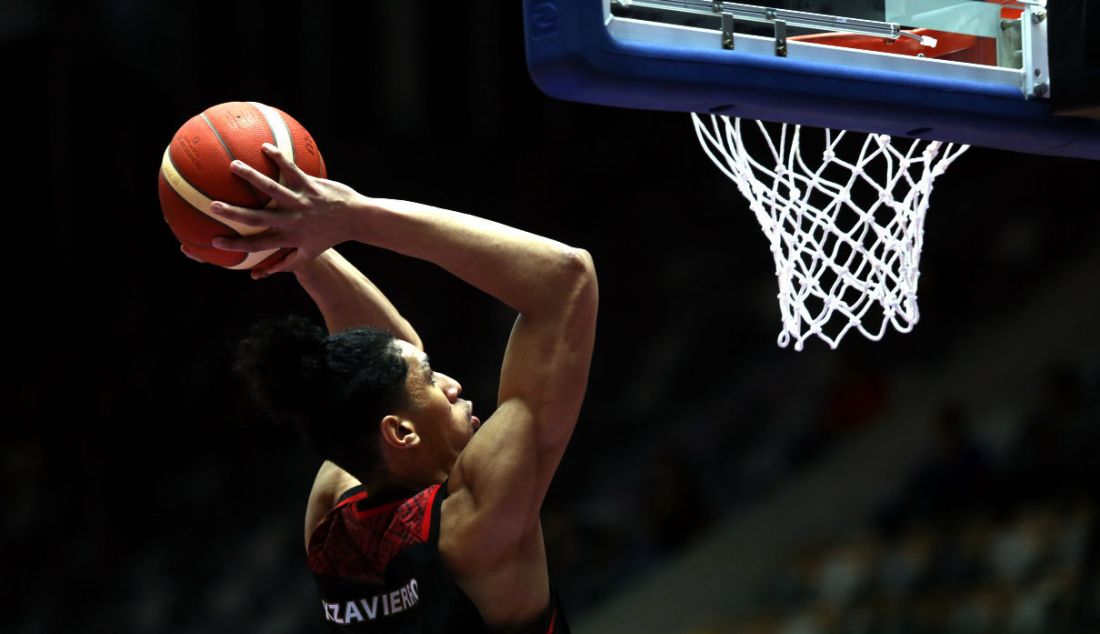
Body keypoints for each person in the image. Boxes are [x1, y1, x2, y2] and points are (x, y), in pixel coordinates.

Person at [193, 143, 598, 632]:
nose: (451, 384)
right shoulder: (477, 520)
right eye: (431, 379)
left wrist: (291, 240)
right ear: (401, 433)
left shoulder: (331, 516)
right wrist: (353, 216)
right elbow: (565, 280)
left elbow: (381, 358)